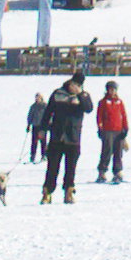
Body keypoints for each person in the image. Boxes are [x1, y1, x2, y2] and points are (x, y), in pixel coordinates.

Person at [43, 73, 92, 204]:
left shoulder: (84, 96)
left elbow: (89, 109)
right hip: (57, 136)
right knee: (52, 167)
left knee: (71, 168)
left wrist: (80, 95)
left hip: (73, 137)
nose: (75, 87)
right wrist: (43, 129)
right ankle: (47, 192)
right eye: (74, 84)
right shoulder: (58, 93)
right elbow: (48, 112)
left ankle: (69, 192)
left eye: (78, 85)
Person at [96, 81, 130, 183]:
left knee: (118, 152)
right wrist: (100, 128)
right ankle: (102, 172)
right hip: (107, 130)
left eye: (114, 89)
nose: (112, 91)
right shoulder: (103, 102)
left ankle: (118, 171)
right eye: (111, 89)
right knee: (107, 151)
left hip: (118, 130)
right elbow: (99, 117)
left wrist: (125, 128)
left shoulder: (119, 102)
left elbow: (123, 115)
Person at [24, 93, 48, 163]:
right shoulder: (33, 106)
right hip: (35, 125)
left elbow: (49, 115)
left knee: (43, 142)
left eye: (38, 98)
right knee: (34, 142)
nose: (37, 99)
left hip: (43, 126)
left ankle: (44, 155)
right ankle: (32, 156)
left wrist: (49, 124)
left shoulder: (45, 106)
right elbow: (30, 116)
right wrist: (28, 125)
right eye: (36, 98)